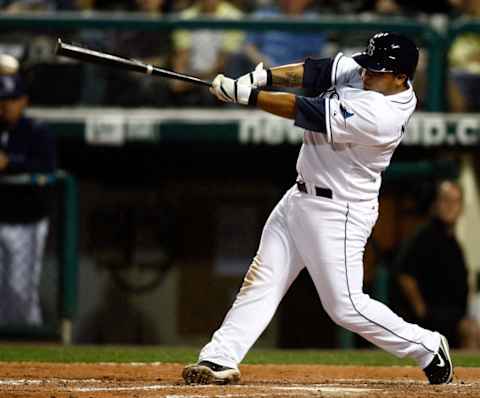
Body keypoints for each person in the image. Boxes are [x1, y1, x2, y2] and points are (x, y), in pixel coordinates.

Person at [182, 32, 453, 385]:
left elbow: (304, 110)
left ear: (401, 77)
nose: (367, 74)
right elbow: (315, 73)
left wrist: (249, 97)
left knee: (346, 307)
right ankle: (220, 357)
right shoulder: (370, 72)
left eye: (378, 71)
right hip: (299, 196)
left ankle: (428, 346)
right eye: (368, 65)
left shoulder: (382, 114)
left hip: (338, 212)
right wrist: (263, 77)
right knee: (262, 280)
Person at [393, 180, 480, 349]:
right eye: (445, 200)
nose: (450, 206)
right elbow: (405, 275)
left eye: (455, 201)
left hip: (456, 314)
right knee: (471, 331)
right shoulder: (423, 237)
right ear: (436, 204)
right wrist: (422, 312)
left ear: (461, 208)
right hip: (433, 317)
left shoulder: (454, 243)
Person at [0, 70, 56, 325]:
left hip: (27, 220)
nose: (6, 105)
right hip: (3, 215)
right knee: (3, 290)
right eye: (2, 99)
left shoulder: (36, 130)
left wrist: (10, 162)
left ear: (23, 100)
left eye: (12, 99)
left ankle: (31, 338)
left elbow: (47, 167)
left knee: (21, 290)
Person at [170, 0, 245, 106]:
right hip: (191, 74)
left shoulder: (234, 17)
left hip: (221, 76)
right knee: (169, 87)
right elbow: (182, 54)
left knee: (211, 91)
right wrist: (178, 78)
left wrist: (194, 81)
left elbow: (225, 60)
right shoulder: (185, 17)